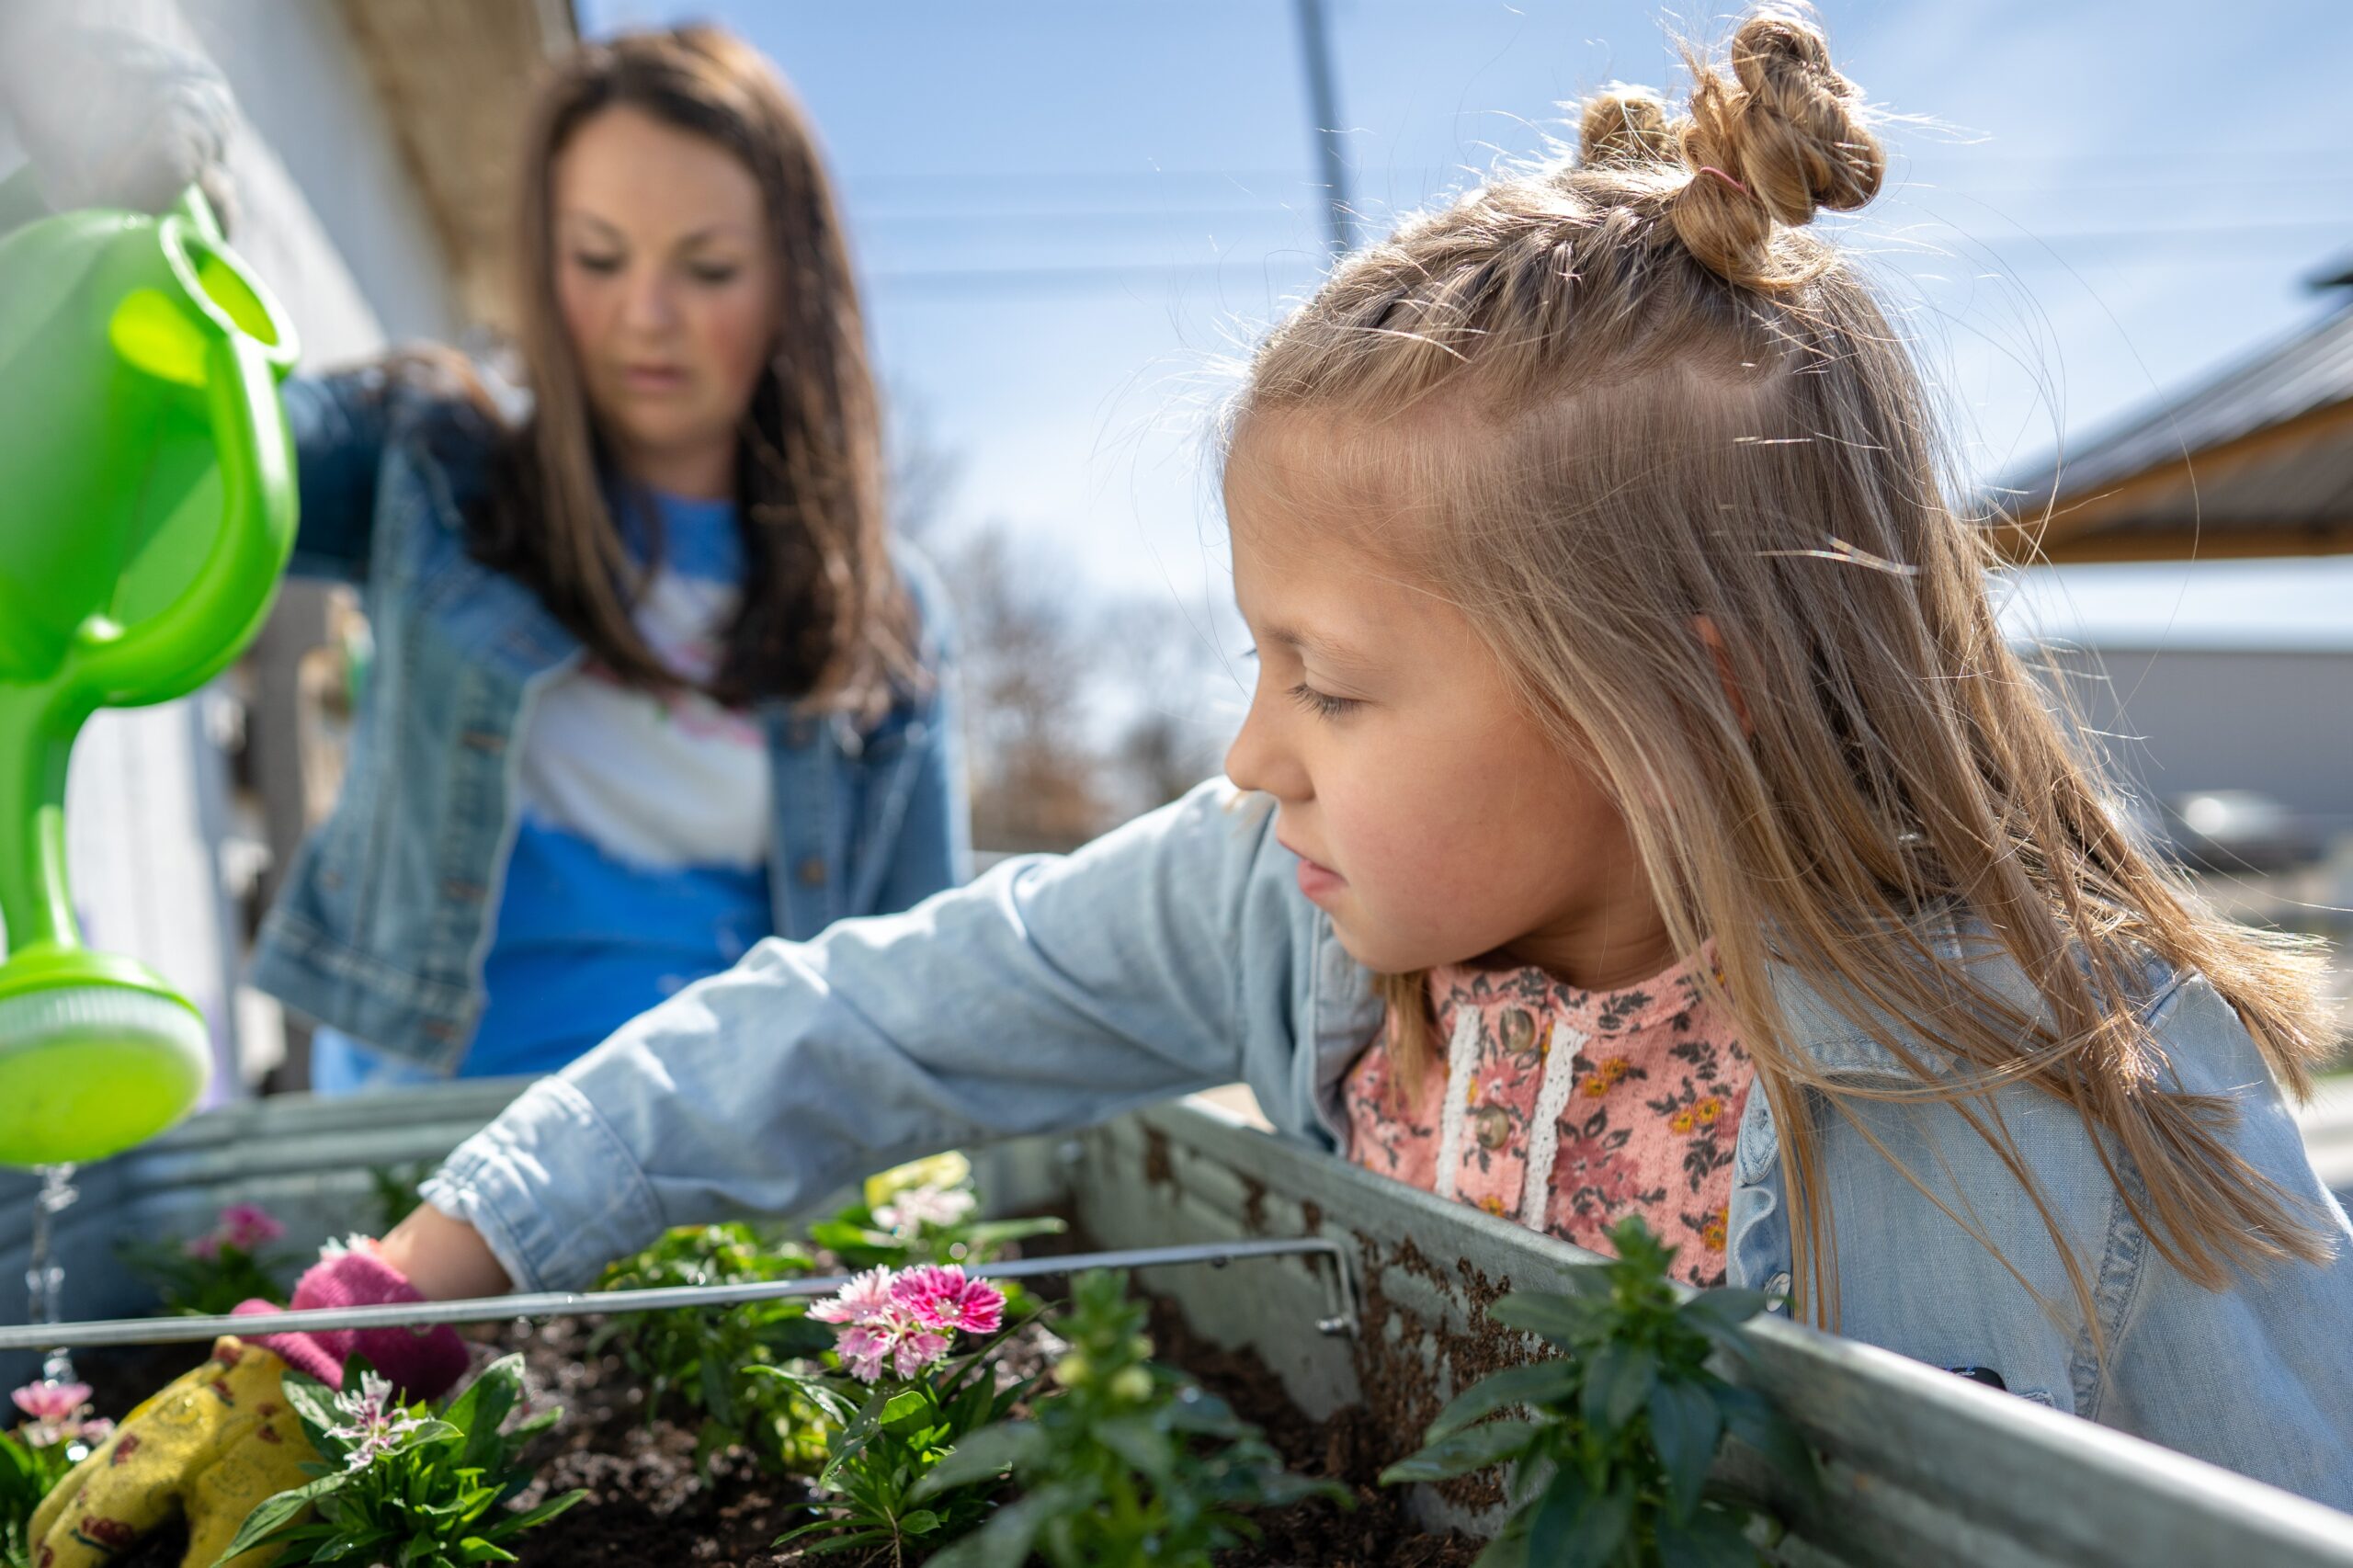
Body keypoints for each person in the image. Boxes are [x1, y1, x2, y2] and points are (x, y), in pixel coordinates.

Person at [36, 11, 2351, 1552]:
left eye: (1324, 681)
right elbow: (845, 1019)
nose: (1248, 751)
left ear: (1677, 694)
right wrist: (414, 1280)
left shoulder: (2078, 1095)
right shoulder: (1275, 903)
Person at [253, 25, 969, 1088]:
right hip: (426, 1148)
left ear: (792, 282)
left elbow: (925, 982)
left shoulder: (886, 606)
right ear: (543, 262)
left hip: (729, 1157)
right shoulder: (437, 469)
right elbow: (203, 456)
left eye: (709, 267)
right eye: (597, 257)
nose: (646, 315)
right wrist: (139, 249)